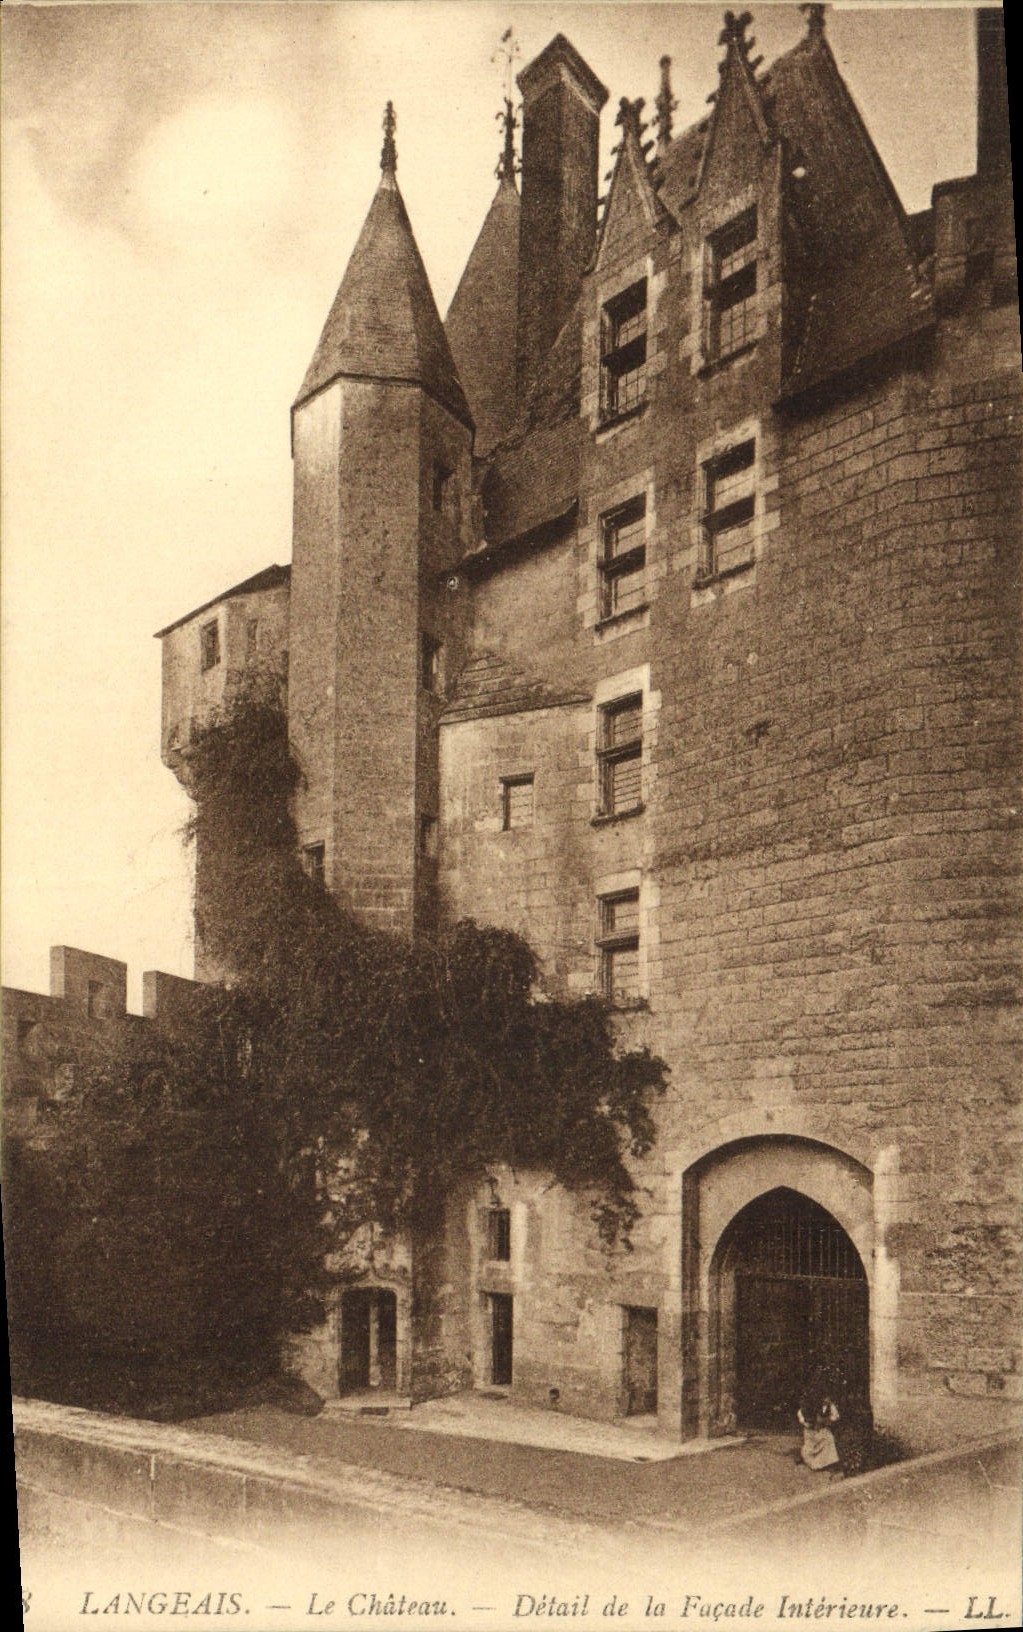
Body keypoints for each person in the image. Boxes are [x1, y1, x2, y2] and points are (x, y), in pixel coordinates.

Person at [796, 1382, 841, 1472]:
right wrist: (806, 1423)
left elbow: (836, 1416)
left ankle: (827, 1463)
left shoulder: (830, 1406)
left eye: (828, 1398)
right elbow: (801, 1413)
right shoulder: (815, 1405)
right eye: (825, 1398)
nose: (826, 1400)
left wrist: (828, 1420)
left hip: (823, 1428)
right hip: (812, 1429)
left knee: (829, 1439)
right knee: (810, 1445)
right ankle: (811, 1461)